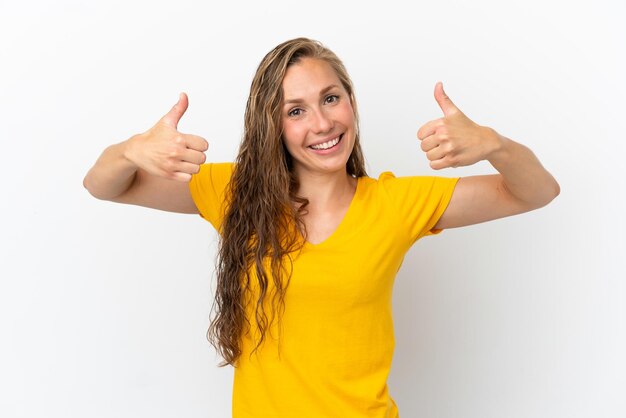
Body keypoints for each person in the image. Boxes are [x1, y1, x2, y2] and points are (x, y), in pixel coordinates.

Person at [83, 38, 559, 417]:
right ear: (273, 125)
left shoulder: (395, 204)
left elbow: (536, 191)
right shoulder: (235, 193)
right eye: (296, 110)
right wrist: (129, 151)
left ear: (350, 102)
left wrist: (494, 144)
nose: (322, 122)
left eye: (331, 98)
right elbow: (104, 185)